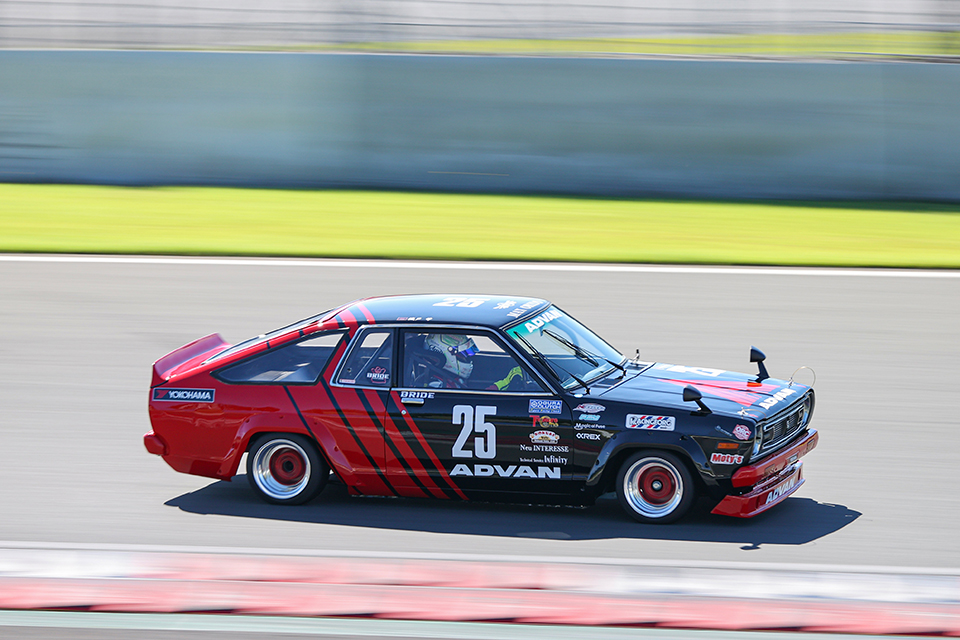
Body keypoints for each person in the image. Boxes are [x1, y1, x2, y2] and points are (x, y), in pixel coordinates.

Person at [421, 334, 524, 390]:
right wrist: (504, 383)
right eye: (462, 355)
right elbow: (470, 407)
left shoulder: (453, 379)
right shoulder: (437, 387)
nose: (466, 359)